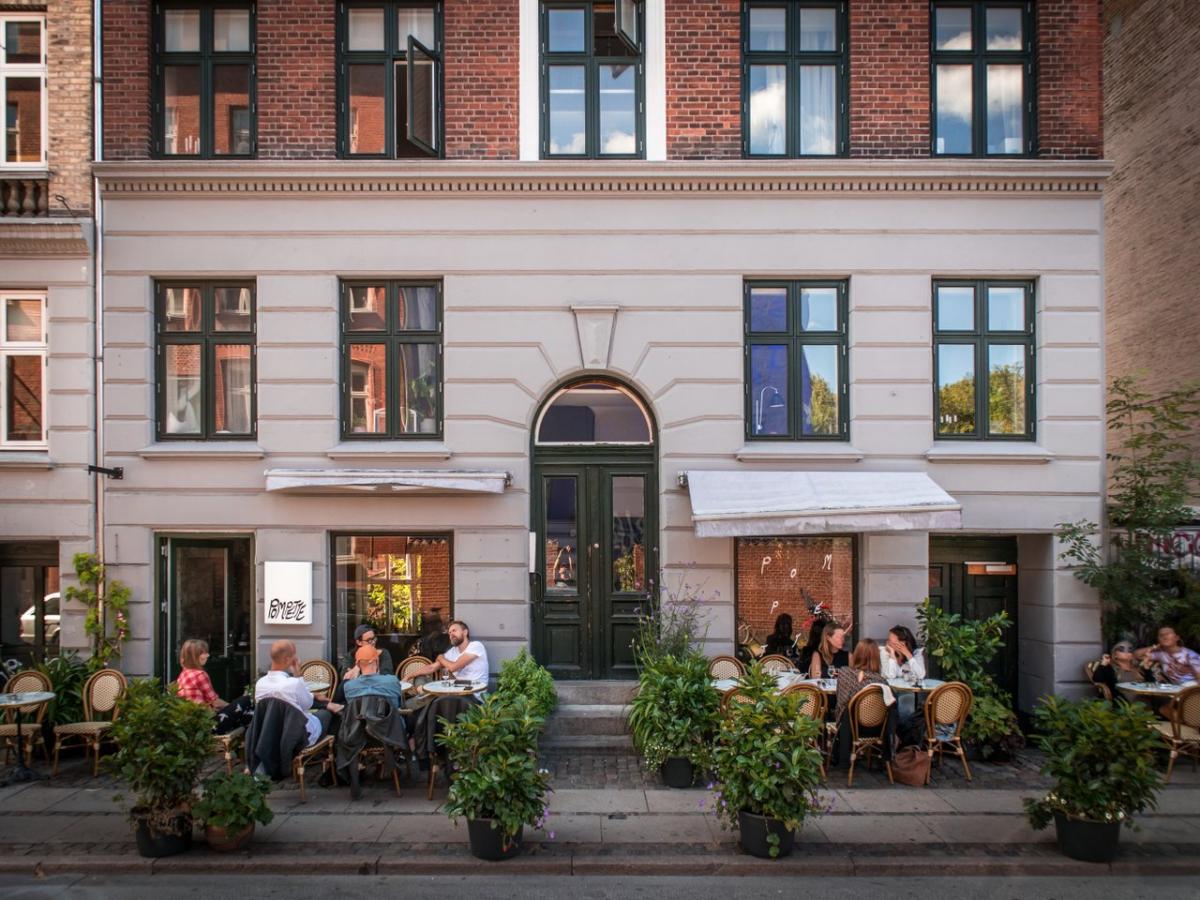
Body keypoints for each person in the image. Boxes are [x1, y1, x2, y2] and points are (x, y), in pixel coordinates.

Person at [255, 639, 343, 747]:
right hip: (299, 736)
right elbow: (307, 704)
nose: (296, 657)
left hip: (271, 735)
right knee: (327, 714)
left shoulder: (260, 683)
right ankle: (329, 751)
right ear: (288, 659)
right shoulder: (293, 684)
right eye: (294, 655)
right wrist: (298, 674)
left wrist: (312, 694)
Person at [409, 620, 489, 689]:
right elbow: (432, 667)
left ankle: (428, 698)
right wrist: (408, 676)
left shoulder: (476, 646)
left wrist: (440, 658)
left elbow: (453, 667)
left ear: (465, 632)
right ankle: (427, 697)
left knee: (437, 696)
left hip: (473, 693)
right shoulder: (453, 651)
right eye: (450, 633)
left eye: (454, 631)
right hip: (456, 690)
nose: (451, 635)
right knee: (419, 678)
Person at [833, 638, 889, 723]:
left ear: (856, 654)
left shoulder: (844, 673)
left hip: (848, 726)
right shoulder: (882, 682)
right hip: (876, 726)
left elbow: (840, 703)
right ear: (876, 658)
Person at [335, 625, 395, 703]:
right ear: (359, 642)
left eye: (374, 638)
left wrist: (359, 672)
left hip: (380, 695)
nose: (373, 642)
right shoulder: (350, 656)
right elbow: (345, 678)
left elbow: (387, 674)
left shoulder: (383, 653)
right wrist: (358, 666)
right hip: (356, 697)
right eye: (369, 640)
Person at [1136, 627, 1200, 686]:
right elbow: (1138, 655)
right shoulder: (1161, 654)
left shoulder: (1190, 655)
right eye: (1161, 635)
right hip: (1173, 688)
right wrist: (1155, 647)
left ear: (1177, 637)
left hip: (1191, 688)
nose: (1164, 637)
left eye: (1168, 634)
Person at [176, 639, 228, 711]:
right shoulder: (200, 675)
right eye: (203, 653)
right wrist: (231, 705)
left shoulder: (183, 674)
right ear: (194, 657)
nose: (207, 655)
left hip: (188, 714)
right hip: (202, 715)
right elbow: (215, 702)